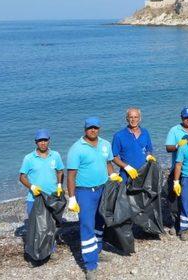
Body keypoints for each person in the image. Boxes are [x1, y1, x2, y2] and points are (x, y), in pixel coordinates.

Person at [66, 117, 122, 279]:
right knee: (87, 224)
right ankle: (90, 265)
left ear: (99, 129)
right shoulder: (76, 149)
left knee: (100, 221)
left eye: (95, 128)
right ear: (85, 129)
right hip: (85, 192)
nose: (93, 130)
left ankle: (97, 251)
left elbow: (108, 163)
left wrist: (112, 175)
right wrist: (71, 197)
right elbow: (71, 175)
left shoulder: (105, 144)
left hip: (103, 188)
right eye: (90, 128)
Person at [19, 129, 64, 215]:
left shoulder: (55, 155)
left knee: (53, 224)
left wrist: (59, 185)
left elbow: (60, 171)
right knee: (35, 225)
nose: (43, 143)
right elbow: (22, 177)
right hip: (35, 198)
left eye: (45, 140)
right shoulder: (28, 158)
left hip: (52, 197)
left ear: (49, 141)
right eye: (40, 141)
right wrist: (32, 187)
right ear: (36, 142)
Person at [112, 107, 156, 183]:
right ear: (127, 119)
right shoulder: (119, 136)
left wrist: (149, 156)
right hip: (126, 175)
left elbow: (149, 149)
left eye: (136, 117)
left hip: (144, 174)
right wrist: (126, 167)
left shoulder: (145, 132)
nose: (133, 120)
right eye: (131, 117)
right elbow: (113, 157)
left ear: (140, 119)